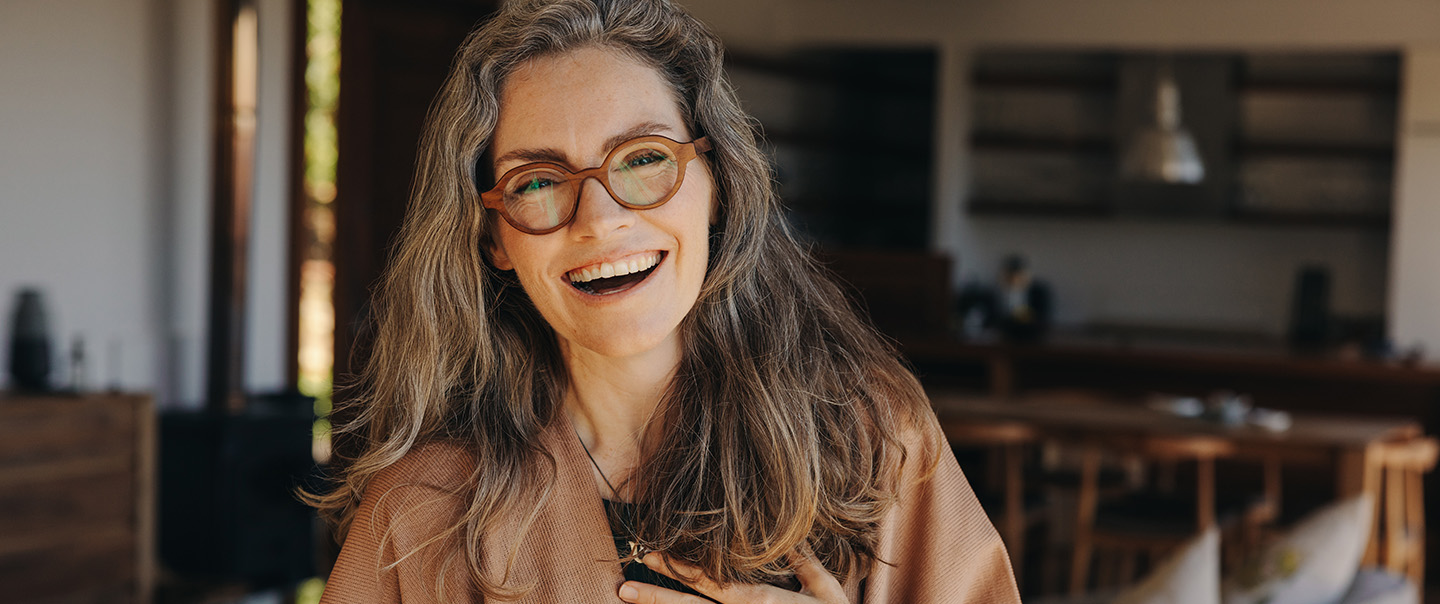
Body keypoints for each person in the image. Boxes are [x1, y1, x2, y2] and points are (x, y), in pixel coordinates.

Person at [309, 0, 1021, 602]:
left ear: (717, 184)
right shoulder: (421, 514)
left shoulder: (871, 438)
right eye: (536, 181)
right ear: (494, 238)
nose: (598, 219)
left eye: (644, 158)